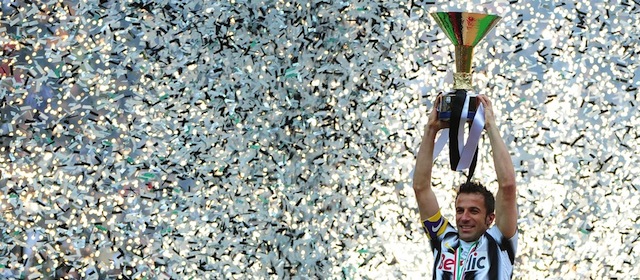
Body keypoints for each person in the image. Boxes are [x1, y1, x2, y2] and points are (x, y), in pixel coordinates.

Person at [413, 94, 518, 279]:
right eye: (460, 210)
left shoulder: (499, 240)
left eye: (474, 211)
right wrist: (431, 130)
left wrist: (490, 126)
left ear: (490, 218)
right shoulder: (444, 238)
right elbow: (421, 188)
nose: (464, 217)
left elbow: (507, 186)